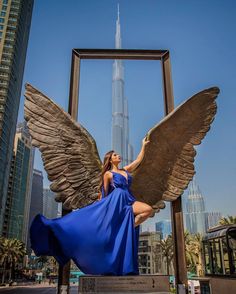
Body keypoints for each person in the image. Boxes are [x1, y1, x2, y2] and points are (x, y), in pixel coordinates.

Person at [30, 138, 154, 275]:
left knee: (148, 210)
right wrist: (102, 209)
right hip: (115, 202)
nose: (118, 156)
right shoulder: (108, 174)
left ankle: (124, 228)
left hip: (128, 200)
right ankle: (58, 228)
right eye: (115, 155)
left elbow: (138, 161)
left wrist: (143, 145)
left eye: (118, 154)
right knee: (142, 211)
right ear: (110, 160)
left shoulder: (125, 170)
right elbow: (105, 193)